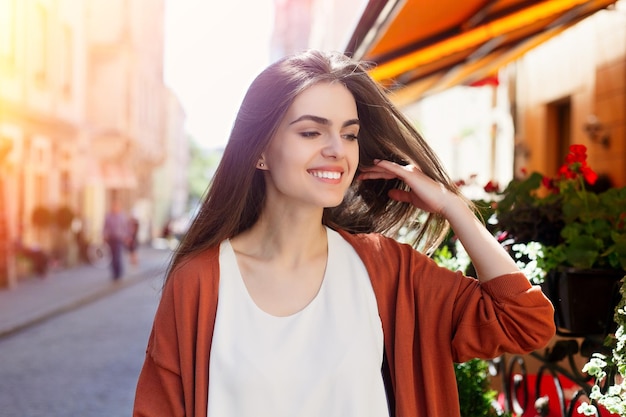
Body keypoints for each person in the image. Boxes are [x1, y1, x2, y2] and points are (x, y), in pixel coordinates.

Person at [133, 50, 555, 417]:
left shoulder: (387, 271)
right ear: (260, 150)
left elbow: (523, 321)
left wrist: (453, 206)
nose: (337, 149)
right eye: (311, 132)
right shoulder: (200, 282)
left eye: (349, 134)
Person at [102, 199, 129, 280]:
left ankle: (119, 272)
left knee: (117, 256)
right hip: (111, 238)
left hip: (119, 239)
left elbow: (126, 228)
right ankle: (114, 273)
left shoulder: (122, 216)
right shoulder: (108, 216)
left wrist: (126, 237)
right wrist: (104, 235)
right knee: (112, 256)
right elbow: (105, 227)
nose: (115, 208)